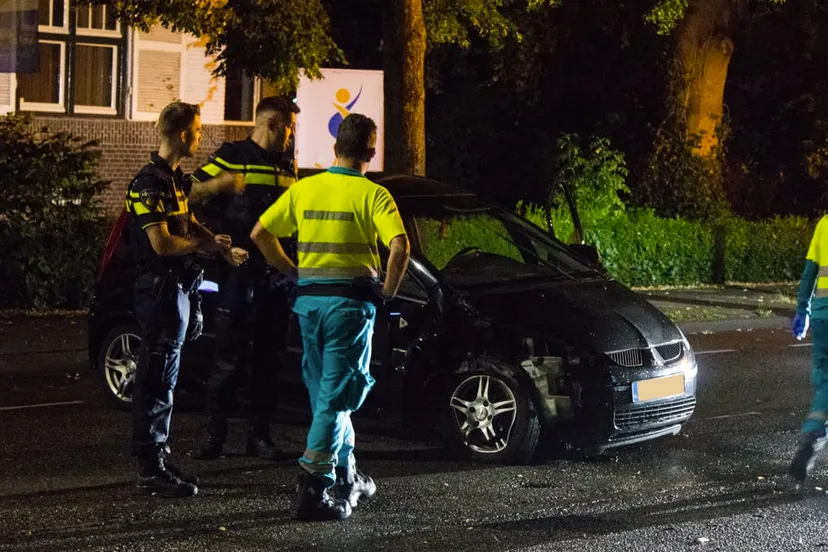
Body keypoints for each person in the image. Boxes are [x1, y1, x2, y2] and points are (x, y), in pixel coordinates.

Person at [251, 113, 411, 521]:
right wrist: (388, 293)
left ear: (335, 147)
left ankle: (347, 473)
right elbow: (400, 247)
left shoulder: (306, 189)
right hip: (349, 309)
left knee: (327, 397)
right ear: (371, 152)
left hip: (308, 307)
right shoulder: (373, 196)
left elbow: (260, 234)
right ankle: (313, 487)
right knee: (337, 400)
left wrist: (292, 271)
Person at [125, 101, 244, 498]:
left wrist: (220, 246)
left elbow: (190, 224)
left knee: (167, 378)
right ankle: (149, 466)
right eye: (196, 129)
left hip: (176, 289)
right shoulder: (147, 184)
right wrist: (204, 248)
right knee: (157, 379)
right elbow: (161, 243)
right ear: (181, 135)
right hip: (159, 291)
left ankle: (157, 457)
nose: (200, 136)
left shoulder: (174, 180)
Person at [189, 96, 301, 461]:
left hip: (275, 277)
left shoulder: (288, 166)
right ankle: (214, 437)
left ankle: (260, 437)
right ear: (271, 124)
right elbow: (187, 194)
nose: (291, 135)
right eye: (289, 127)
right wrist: (218, 185)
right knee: (228, 358)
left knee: (269, 359)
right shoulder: (231, 155)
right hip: (237, 273)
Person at [791, 215, 828, 482]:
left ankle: (815, 429)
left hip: (823, 315)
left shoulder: (824, 224)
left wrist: (802, 310)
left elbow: (809, 274)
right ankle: (815, 432)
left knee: (825, 380)